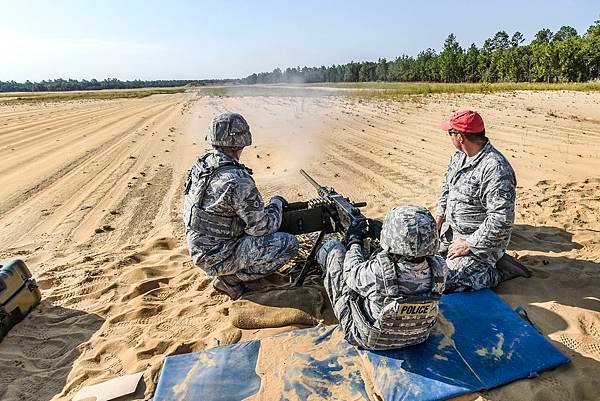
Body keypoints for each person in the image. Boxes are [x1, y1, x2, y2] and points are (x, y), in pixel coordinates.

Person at [183, 112, 298, 300]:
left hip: (200, 247)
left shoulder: (202, 165)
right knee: (288, 244)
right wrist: (276, 204)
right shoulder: (237, 180)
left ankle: (229, 272)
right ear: (240, 142)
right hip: (216, 254)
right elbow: (261, 228)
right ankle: (230, 281)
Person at [316, 205, 447, 351]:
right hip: (419, 336)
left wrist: (354, 241)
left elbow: (350, 273)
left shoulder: (378, 271)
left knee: (333, 250)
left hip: (371, 339)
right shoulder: (440, 267)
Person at [436, 109, 517, 292]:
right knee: (414, 261)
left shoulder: (495, 169)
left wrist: (469, 244)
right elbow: (446, 190)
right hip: (450, 234)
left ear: (461, 137)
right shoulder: (458, 157)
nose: (449, 137)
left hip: (478, 244)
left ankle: (498, 270)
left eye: (450, 133)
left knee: (443, 281)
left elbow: (501, 219)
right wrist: (438, 221)